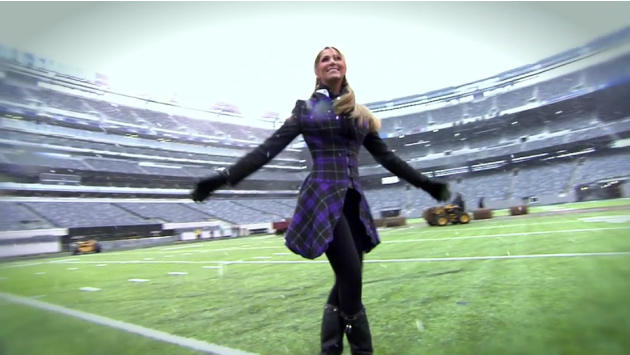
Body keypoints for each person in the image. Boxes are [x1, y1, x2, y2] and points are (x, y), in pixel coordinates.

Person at [191, 46, 451, 355]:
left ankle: (330, 349)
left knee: (346, 278)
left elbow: (387, 157)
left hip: (353, 204)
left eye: (336, 57)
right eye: (325, 59)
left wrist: (426, 184)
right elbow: (267, 150)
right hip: (323, 200)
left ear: (345, 66)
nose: (332, 61)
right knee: (351, 279)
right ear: (317, 71)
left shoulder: (359, 114)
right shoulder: (305, 110)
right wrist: (222, 177)